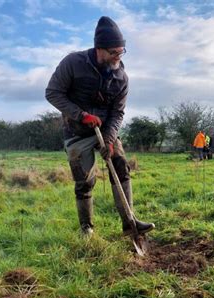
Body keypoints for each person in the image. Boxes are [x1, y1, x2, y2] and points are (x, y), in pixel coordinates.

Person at [45, 16, 154, 237]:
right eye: (113, 52)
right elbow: (53, 93)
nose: (118, 56)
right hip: (76, 130)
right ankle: (87, 228)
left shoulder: (121, 77)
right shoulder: (73, 63)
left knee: (121, 166)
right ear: (99, 49)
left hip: (105, 132)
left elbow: (118, 113)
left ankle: (129, 222)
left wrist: (111, 139)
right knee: (85, 181)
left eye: (121, 51)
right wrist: (81, 115)